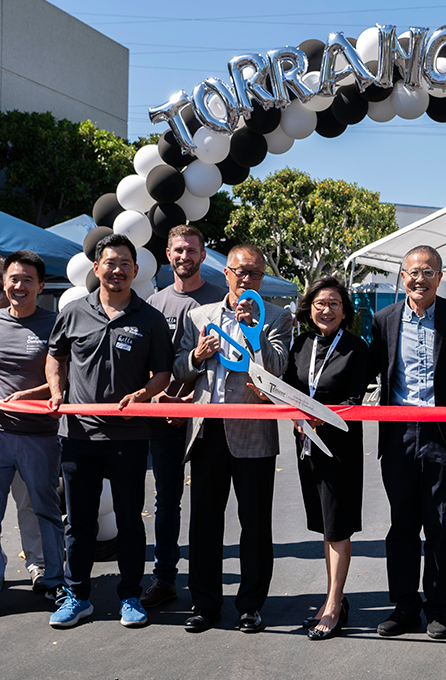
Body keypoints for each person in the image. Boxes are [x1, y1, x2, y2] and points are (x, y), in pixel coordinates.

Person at [46, 233, 173, 629]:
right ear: (96, 267)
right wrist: (55, 393)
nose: (117, 270)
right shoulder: (73, 313)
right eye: (110, 262)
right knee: (78, 522)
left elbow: (164, 373)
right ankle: (77, 595)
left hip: (130, 438)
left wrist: (145, 393)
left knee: (130, 521)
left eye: (125, 264)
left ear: (135, 271)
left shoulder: (150, 318)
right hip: (78, 436)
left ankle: (130, 596)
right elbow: (56, 357)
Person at [368, 245, 446, 640]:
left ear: (440, 277)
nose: (420, 279)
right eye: (413, 272)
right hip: (399, 434)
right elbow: (374, 372)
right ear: (403, 277)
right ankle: (404, 606)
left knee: (439, 523)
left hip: (444, 433)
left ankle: (437, 608)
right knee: (402, 523)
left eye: (428, 272)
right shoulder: (383, 319)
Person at [172, 244, 291, 634]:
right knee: (204, 523)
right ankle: (204, 604)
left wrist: (254, 333)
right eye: (240, 271)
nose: (246, 279)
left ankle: (251, 605)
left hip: (253, 433)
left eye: (255, 273)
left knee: (255, 524)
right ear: (225, 273)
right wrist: (195, 357)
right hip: (208, 430)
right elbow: (179, 369)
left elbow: (276, 372)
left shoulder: (277, 316)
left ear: (262, 278)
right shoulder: (198, 315)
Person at [0, 251, 68, 624]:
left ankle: (56, 581)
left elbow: (64, 376)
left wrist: (32, 395)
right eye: (13, 279)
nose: (18, 286)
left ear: (41, 286)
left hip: (40, 435)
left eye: (27, 280)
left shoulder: (55, 324)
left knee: (46, 510)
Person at [140, 225, 226, 609]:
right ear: (168, 255)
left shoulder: (222, 300)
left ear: (203, 256)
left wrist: (192, 401)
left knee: (209, 503)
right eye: (178, 250)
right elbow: (147, 364)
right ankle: (165, 579)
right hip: (164, 419)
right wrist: (161, 399)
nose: (185, 256)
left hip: (208, 417)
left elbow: (229, 366)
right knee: (167, 501)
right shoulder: (155, 304)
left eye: (192, 250)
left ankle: (206, 586)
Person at [282, 277, 372, 641]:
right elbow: (290, 386)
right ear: (309, 308)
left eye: (335, 304)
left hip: (340, 448)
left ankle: (334, 606)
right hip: (307, 445)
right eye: (320, 303)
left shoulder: (355, 348)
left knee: (337, 526)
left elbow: (355, 399)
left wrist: (321, 413)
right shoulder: (300, 343)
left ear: (345, 310)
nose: (327, 310)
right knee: (324, 525)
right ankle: (333, 596)